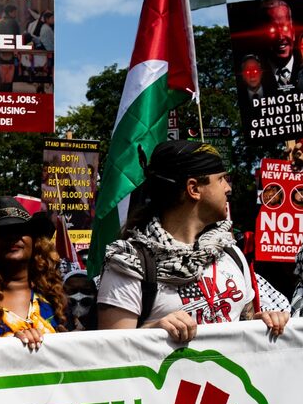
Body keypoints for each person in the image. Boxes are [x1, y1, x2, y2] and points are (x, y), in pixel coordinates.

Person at [98, 139, 288, 341]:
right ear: (194, 189)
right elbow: (112, 351)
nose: (228, 188)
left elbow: (244, 324)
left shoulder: (231, 253)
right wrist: (154, 331)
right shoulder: (129, 264)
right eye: (221, 179)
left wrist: (261, 323)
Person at [0, 196, 67, 346]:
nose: (12, 236)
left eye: (21, 229)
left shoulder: (55, 295)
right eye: (2, 231)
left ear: (35, 241)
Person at [256, 0, 300, 93]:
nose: (280, 36)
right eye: (272, 29)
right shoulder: (254, 77)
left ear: (293, 32)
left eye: (285, 27)